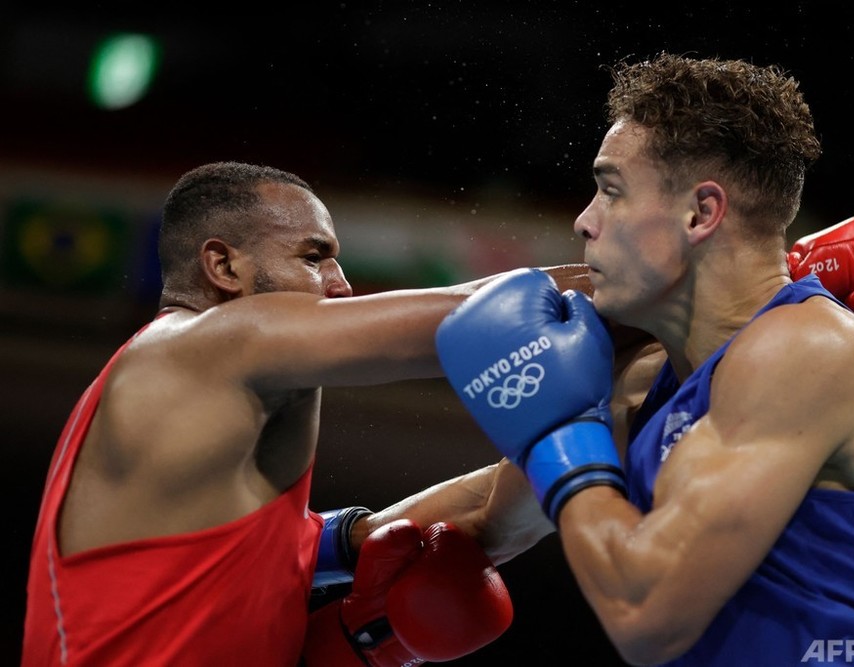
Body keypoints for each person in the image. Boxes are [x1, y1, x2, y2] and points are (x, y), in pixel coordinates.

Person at [435, 52, 854, 666]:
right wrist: (334, 546)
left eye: (611, 190)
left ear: (701, 213)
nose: (584, 221)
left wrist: (562, 431)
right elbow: (490, 515)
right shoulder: (652, 384)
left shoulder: (809, 350)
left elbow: (647, 617)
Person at [21, 161, 570, 666]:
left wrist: (612, 427)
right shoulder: (202, 342)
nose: (342, 284)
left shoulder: (228, 477)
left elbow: (477, 521)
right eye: (312, 257)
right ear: (223, 266)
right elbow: (489, 318)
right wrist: (642, 294)